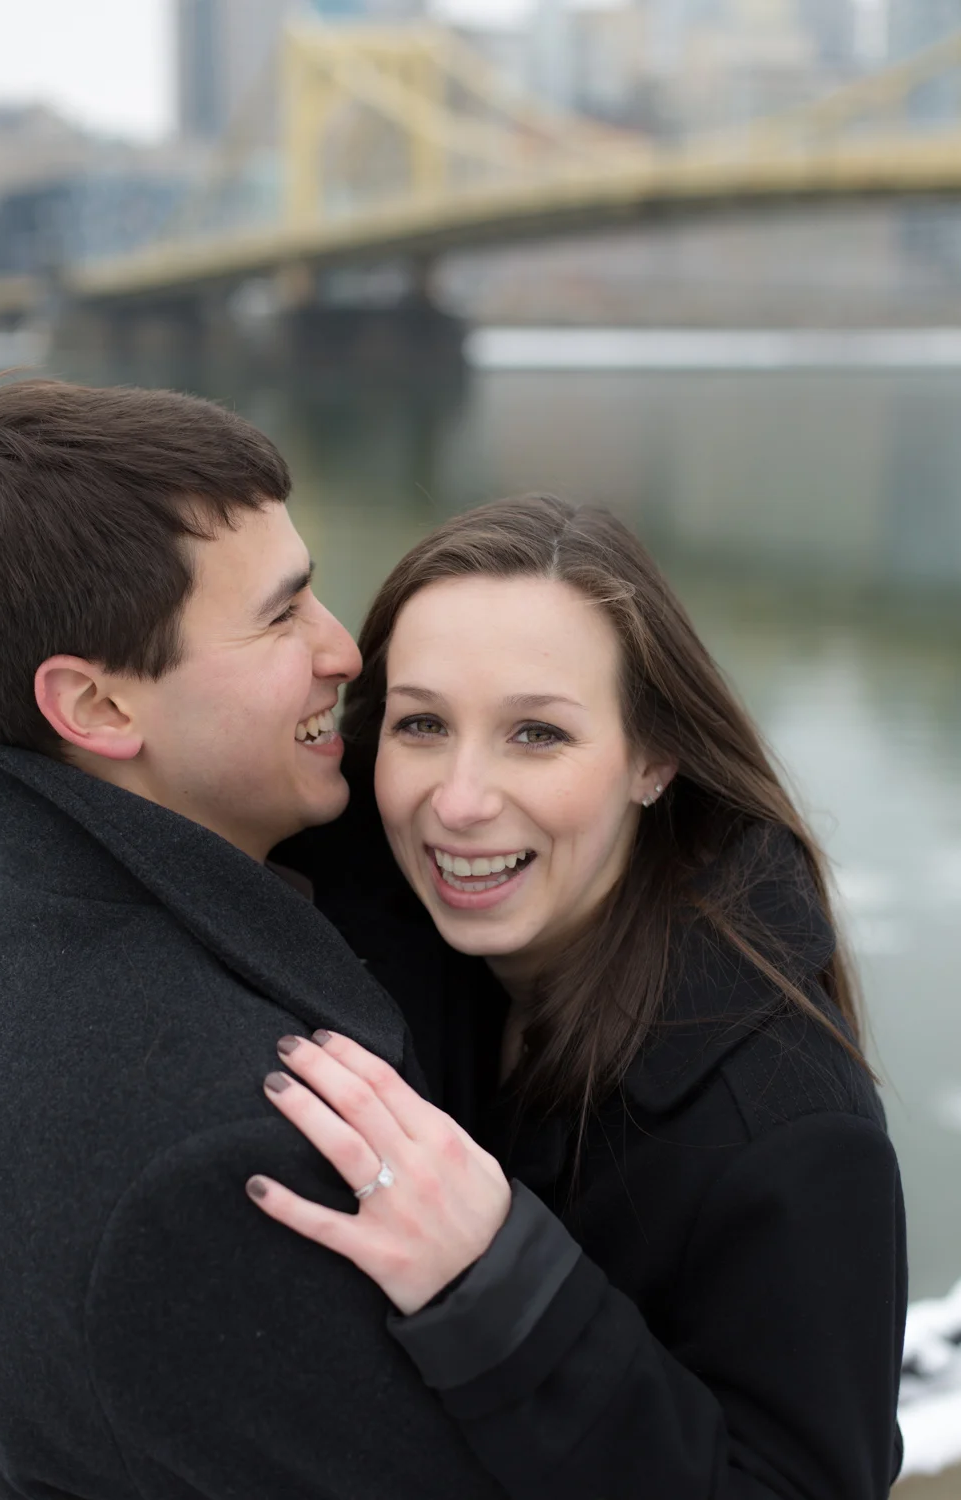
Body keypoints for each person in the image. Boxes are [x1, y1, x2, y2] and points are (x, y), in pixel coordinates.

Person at [250, 495, 908, 1500]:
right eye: (421, 723)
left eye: (536, 735)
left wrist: (495, 1286)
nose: (461, 800)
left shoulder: (788, 1139)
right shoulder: (349, 922)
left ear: (652, 758)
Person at [0, 379, 505, 1500]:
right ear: (100, 710)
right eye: (281, 613)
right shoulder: (234, 1148)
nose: (345, 651)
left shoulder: (39, 921)